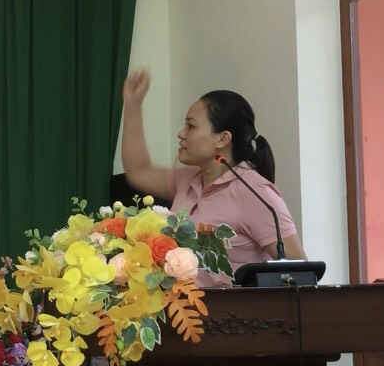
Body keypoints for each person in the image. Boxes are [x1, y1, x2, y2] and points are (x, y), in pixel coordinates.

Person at [119, 69, 307, 286]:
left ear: (222, 139)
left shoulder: (255, 192)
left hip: (231, 308)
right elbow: (139, 171)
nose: (181, 133)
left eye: (191, 126)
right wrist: (132, 105)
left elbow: (300, 275)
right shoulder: (188, 180)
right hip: (182, 305)